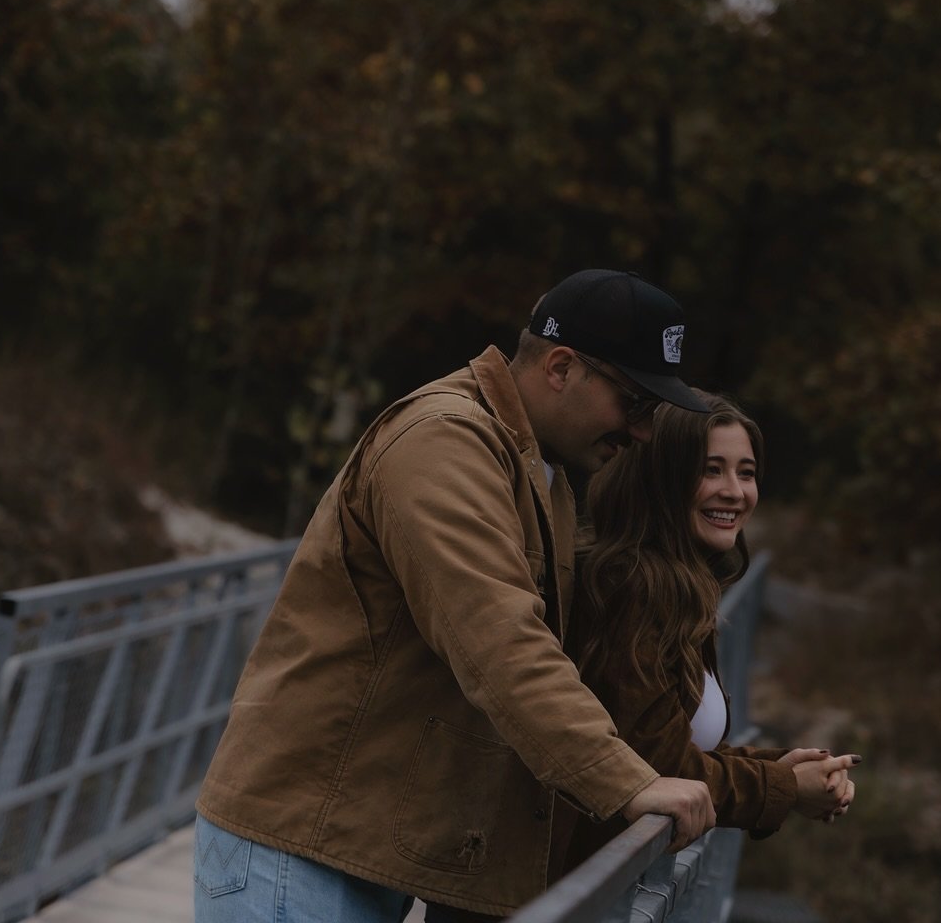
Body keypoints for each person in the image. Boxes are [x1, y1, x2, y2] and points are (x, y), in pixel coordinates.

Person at [194, 269, 719, 923]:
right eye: (636, 404)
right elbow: (499, 643)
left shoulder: (536, 468)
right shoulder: (444, 441)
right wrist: (628, 782)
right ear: (561, 367)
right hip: (296, 848)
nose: (642, 432)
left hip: (357, 845)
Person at [559, 390, 859, 872]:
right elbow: (657, 764)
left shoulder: (679, 585)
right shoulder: (632, 587)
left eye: (746, 472)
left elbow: (672, 740)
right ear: (661, 478)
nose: (735, 492)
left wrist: (779, 770)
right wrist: (784, 789)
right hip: (566, 888)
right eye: (711, 469)